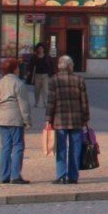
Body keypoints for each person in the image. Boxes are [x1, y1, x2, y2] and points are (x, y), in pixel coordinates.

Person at [45, 54, 89, 184]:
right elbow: (84, 102)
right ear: (70, 66)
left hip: (59, 119)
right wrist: (86, 118)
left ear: (60, 66)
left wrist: (48, 118)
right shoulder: (79, 79)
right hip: (76, 119)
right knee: (75, 148)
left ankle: (61, 175)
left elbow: (50, 102)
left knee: (61, 149)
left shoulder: (54, 80)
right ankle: (73, 176)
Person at [0, 56, 32, 184]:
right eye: (18, 67)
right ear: (15, 69)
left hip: (1, 116)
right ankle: (15, 175)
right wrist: (27, 120)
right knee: (18, 145)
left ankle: (4, 176)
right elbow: (23, 104)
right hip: (14, 117)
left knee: (6, 147)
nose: (19, 69)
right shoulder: (18, 83)